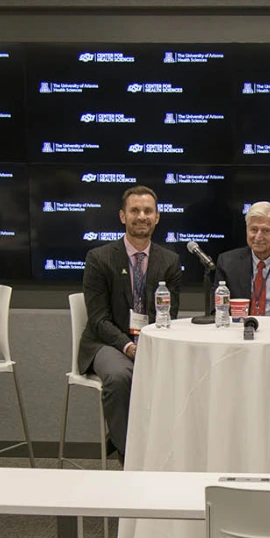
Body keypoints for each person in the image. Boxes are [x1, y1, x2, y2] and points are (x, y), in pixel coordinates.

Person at [77, 185, 181, 459]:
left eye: (148, 211)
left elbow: (169, 315)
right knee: (122, 376)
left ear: (157, 217)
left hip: (151, 342)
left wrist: (148, 343)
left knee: (183, 373)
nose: (142, 216)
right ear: (123, 216)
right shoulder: (99, 258)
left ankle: (166, 453)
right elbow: (98, 319)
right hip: (107, 343)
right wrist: (129, 346)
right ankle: (130, 455)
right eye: (135, 210)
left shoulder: (170, 262)